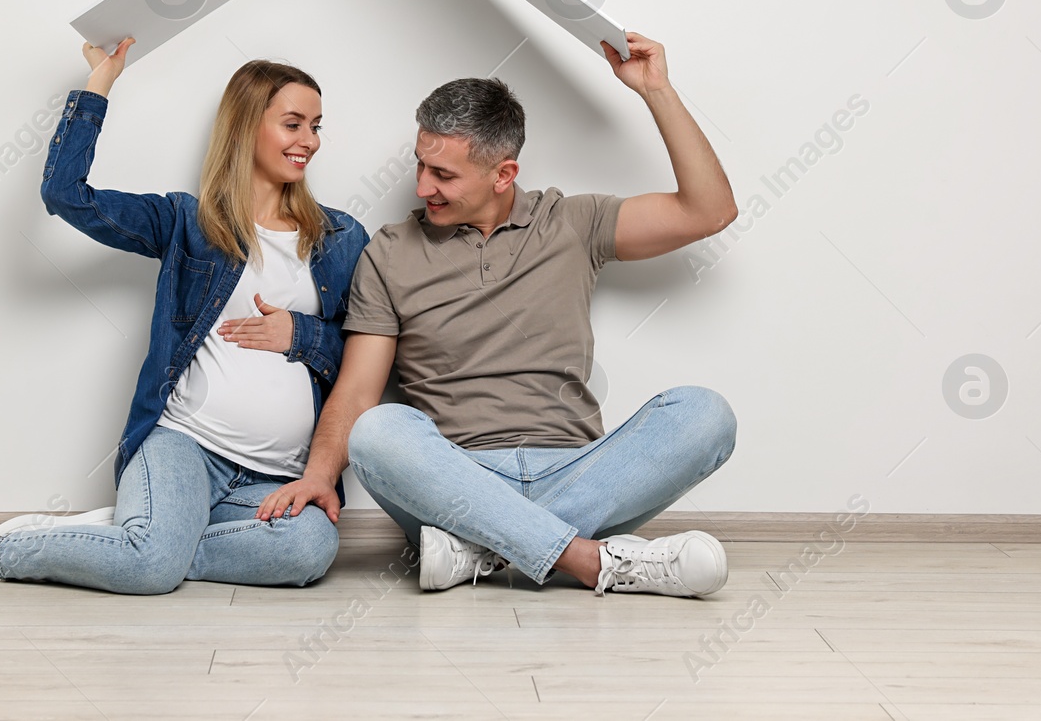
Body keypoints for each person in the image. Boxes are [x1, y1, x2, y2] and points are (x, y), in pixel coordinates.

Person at [0, 38, 370, 592]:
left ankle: (135, 536)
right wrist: (101, 83)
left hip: (279, 473)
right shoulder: (185, 222)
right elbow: (67, 195)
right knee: (151, 570)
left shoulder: (340, 237)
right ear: (246, 127)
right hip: (185, 445)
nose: (309, 141)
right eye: (293, 124)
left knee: (308, 549)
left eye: (317, 126)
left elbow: (368, 356)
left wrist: (299, 333)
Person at [256, 30, 739, 597]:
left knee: (705, 414)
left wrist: (655, 90)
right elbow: (359, 392)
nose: (421, 186)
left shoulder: (573, 222)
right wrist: (317, 476)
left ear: (503, 174)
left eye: (444, 175)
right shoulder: (389, 251)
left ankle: (479, 551)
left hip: (575, 467)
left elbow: (710, 210)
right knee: (380, 429)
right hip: (455, 483)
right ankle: (587, 559)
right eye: (420, 165)